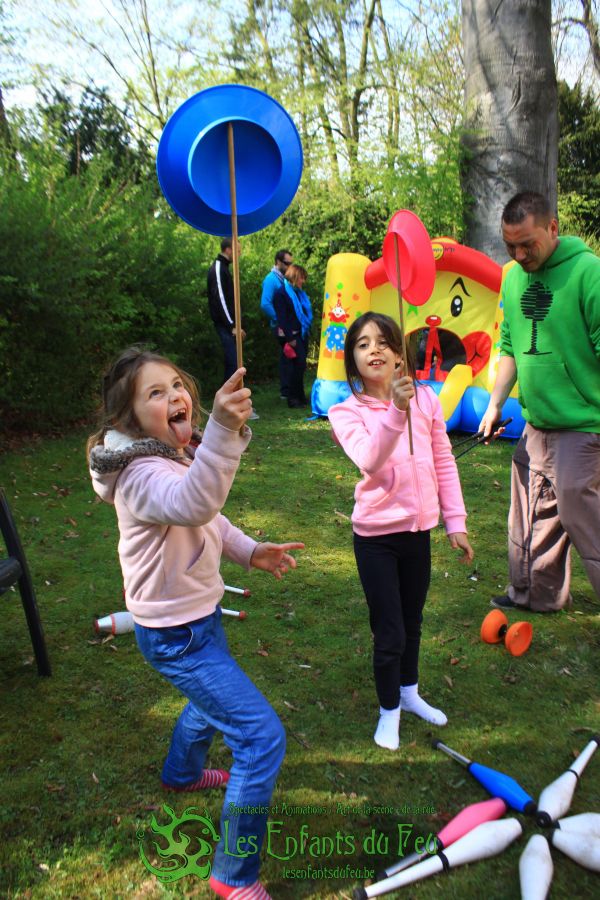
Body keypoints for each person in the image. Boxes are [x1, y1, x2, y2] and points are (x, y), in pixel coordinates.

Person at [87, 347, 304, 899]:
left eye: (176, 385)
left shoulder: (171, 453)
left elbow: (212, 519)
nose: (174, 397)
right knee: (260, 738)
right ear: (128, 418)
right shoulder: (138, 473)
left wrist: (252, 551)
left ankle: (181, 773)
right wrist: (223, 432)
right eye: (154, 394)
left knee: (208, 700)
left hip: (198, 617)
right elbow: (193, 502)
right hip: (175, 635)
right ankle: (233, 877)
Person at [328, 313, 473, 751]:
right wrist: (395, 409)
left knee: (412, 621)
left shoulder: (427, 400)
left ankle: (409, 693)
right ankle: (388, 710)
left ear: (398, 354)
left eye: (384, 342)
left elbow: (444, 460)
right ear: (353, 360)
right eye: (363, 344)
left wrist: (456, 521)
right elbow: (369, 460)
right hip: (375, 537)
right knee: (389, 629)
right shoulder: (345, 411)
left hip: (419, 532)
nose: (374, 350)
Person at [479, 191, 600, 613]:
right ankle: (534, 594)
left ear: (553, 227)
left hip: (584, 423)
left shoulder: (589, 273)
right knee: (530, 512)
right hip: (536, 423)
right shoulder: (512, 277)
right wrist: (496, 403)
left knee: (580, 511)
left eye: (527, 243)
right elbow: (509, 344)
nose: (519, 253)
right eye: (510, 244)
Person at [207, 238, 258, 419]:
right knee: (234, 364)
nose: (239, 254)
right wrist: (232, 326)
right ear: (228, 250)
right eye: (237, 250)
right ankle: (229, 406)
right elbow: (220, 299)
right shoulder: (219, 268)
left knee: (235, 363)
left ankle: (234, 405)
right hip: (225, 326)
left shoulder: (225, 268)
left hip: (229, 326)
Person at [272, 264, 313, 409]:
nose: (303, 281)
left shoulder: (298, 293)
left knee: (300, 367)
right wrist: (290, 339)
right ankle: (293, 398)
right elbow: (282, 319)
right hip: (291, 336)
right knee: (296, 366)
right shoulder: (281, 294)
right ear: (295, 277)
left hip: (301, 333)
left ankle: (300, 396)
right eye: (302, 278)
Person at [260, 249, 293, 400]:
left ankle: (288, 389)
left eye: (291, 263)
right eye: (287, 263)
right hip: (280, 326)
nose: (289, 266)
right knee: (286, 355)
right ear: (278, 262)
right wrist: (280, 319)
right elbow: (265, 303)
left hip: (284, 324)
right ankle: (285, 391)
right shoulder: (271, 279)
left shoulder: (282, 279)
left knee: (289, 355)